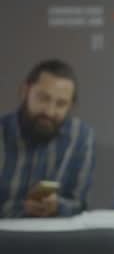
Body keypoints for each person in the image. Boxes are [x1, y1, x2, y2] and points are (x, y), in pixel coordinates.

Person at [0, 59, 95, 218]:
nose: (50, 111)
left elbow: (79, 203)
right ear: (25, 92)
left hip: (54, 236)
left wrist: (58, 206)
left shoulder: (81, 137)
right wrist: (22, 208)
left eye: (61, 104)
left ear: (71, 106)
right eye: (43, 98)